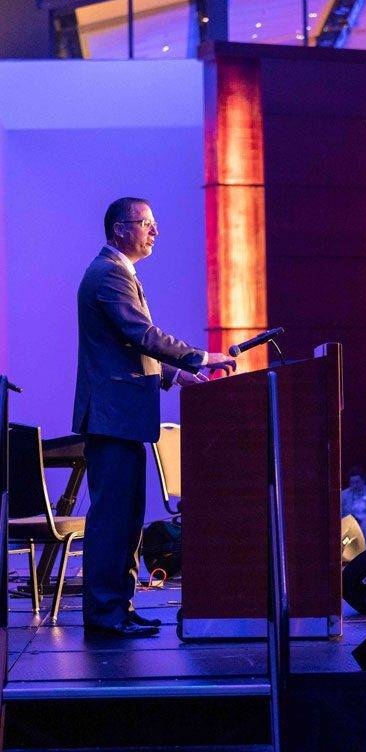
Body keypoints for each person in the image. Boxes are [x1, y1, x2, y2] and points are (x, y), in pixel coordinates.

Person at [73, 197, 236, 638]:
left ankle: (119, 607)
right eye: (146, 223)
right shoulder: (109, 273)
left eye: (154, 223)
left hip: (122, 416)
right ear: (118, 229)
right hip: (112, 417)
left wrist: (175, 375)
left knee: (127, 519)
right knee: (112, 521)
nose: (155, 231)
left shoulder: (118, 270)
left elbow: (126, 348)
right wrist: (199, 356)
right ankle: (106, 614)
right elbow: (140, 335)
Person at [341, 467, 366, 540]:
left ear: (363, 480)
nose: (354, 485)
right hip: (350, 520)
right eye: (352, 483)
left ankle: (361, 542)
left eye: (357, 482)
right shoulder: (343, 494)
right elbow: (342, 513)